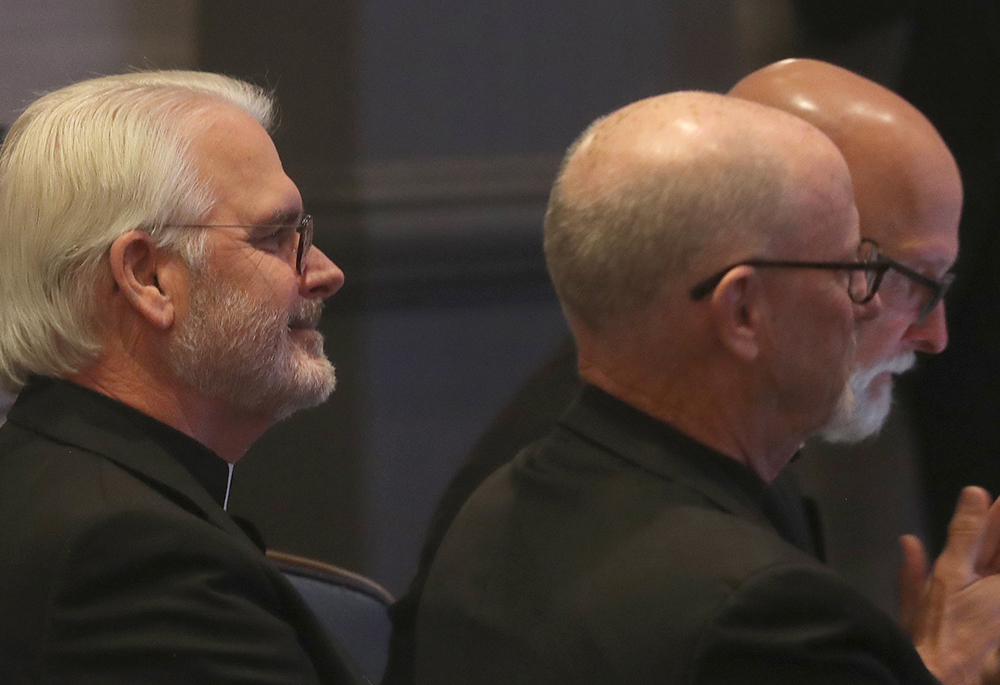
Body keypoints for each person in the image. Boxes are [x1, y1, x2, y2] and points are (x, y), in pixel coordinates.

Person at [384, 58, 967, 683]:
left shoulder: (496, 509)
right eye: (856, 271)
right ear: (743, 311)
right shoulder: (769, 615)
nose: (872, 304)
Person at [0, 71, 365, 684]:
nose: (325, 273)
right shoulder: (133, 558)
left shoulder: (46, 478)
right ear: (147, 278)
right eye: (277, 236)